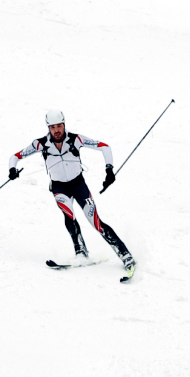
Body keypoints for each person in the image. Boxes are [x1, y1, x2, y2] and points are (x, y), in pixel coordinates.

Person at [10, 110, 135, 277]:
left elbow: (105, 147)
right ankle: (81, 252)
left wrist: (109, 170)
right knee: (69, 217)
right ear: (48, 127)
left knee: (96, 222)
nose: (56, 130)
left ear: (64, 124)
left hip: (78, 185)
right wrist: (12, 170)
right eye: (52, 127)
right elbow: (15, 156)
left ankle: (125, 255)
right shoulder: (40, 144)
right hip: (59, 188)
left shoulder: (76, 139)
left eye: (59, 126)